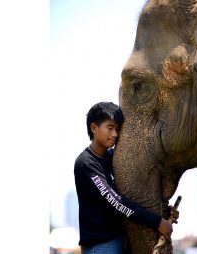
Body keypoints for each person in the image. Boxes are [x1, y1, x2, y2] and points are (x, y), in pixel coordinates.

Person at [74, 102, 178, 254]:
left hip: (120, 241)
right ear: (94, 128)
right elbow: (116, 202)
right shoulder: (86, 163)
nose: (115, 134)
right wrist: (157, 222)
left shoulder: (112, 158)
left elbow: (129, 193)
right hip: (101, 245)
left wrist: (162, 212)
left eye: (117, 129)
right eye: (110, 128)